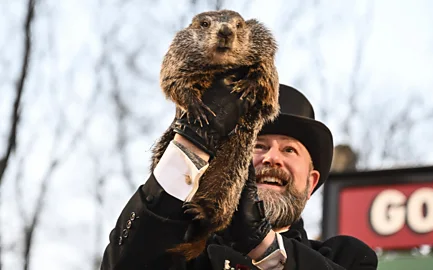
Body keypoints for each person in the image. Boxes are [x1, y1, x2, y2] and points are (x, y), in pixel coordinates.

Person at [100, 83, 378, 270]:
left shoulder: (347, 258)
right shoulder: (184, 249)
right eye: (258, 145)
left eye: (289, 149)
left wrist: (263, 245)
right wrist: (187, 152)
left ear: (311, 182)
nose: (272, 157)